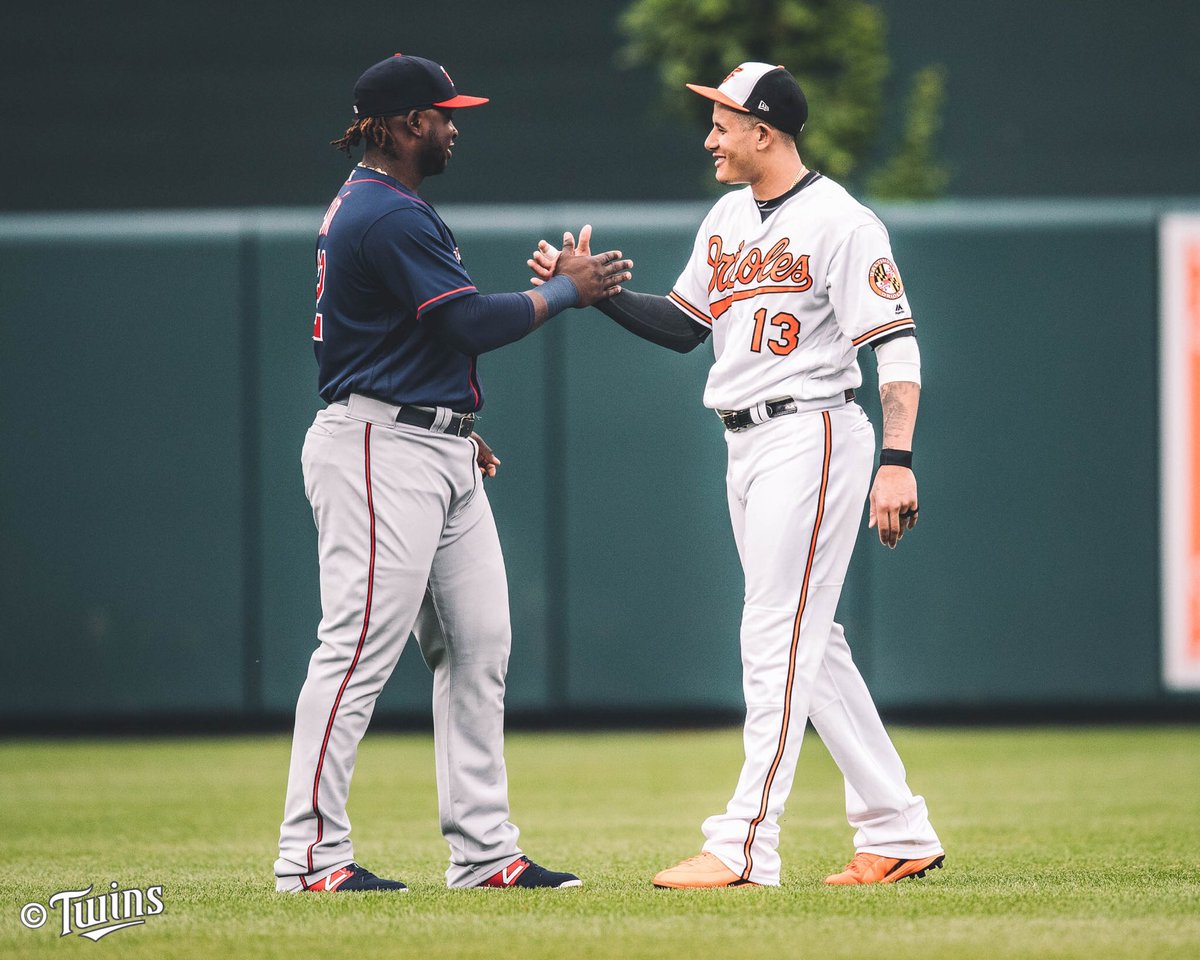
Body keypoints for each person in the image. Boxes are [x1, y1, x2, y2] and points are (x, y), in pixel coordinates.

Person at [530, 62, 943, 888]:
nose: (710, 136)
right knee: (808, 641)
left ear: (766, 131)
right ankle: (897, 828)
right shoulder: (725, 215)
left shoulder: (842, 221)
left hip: (814, 429)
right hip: (746, 441)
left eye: (723, 121)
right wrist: (593, 295)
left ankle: (746, 843)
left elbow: (895, 344)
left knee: (772, 633)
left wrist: (896, 460)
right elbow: (685, 327)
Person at [274, 53, 632, 893]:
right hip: (379, 448)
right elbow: (468, 321)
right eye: (440, 113)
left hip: (433, 444)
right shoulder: (384, 213)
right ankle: (310, 858)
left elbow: (423, 340)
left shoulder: (392, 207)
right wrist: (568, 293)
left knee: (479, 647)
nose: (452, 125)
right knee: (356, 649)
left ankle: (482, 852)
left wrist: (454, 425)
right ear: (402, 126)